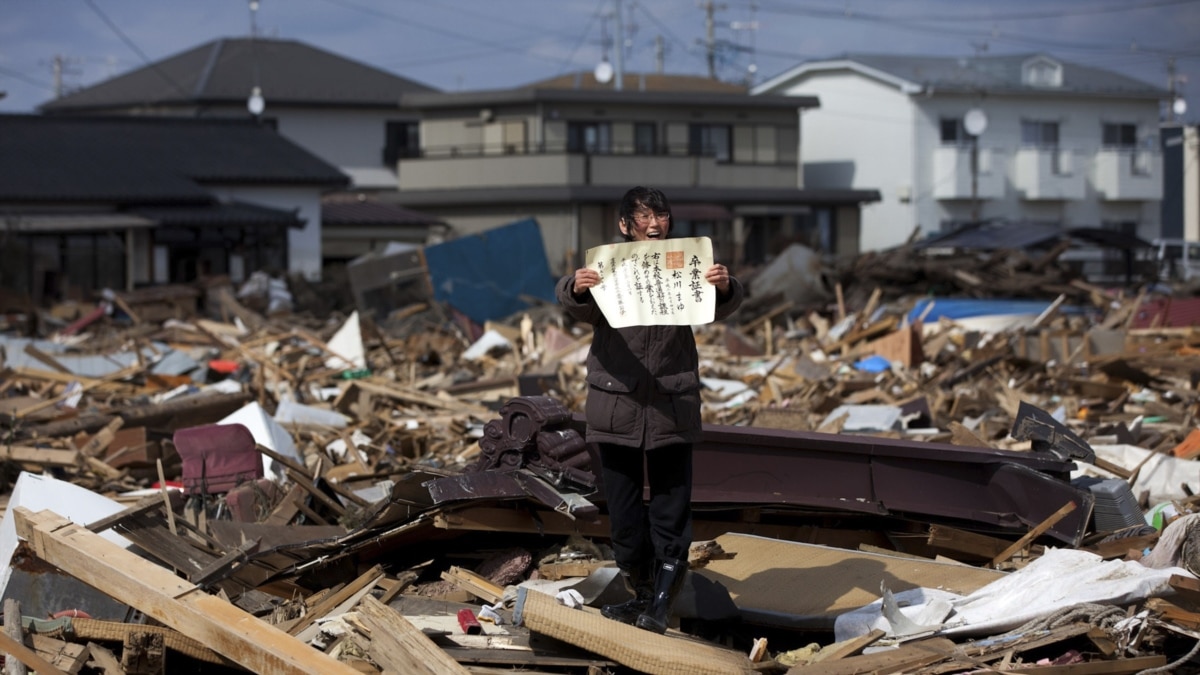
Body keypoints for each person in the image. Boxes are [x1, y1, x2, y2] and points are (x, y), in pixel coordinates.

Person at [555, 186, 744, 634]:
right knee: (622, 514)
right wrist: (575, 287)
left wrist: (725, 285)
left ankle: (660, 606)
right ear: (625, 226)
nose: (655, 225)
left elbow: (720, 307)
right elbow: (573, 305)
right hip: (615, 404)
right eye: (644, 218)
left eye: (661, 216)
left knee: (670, 513)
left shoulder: (685, 261)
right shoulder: (609, 269)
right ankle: (640, 593)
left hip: (670, 406)